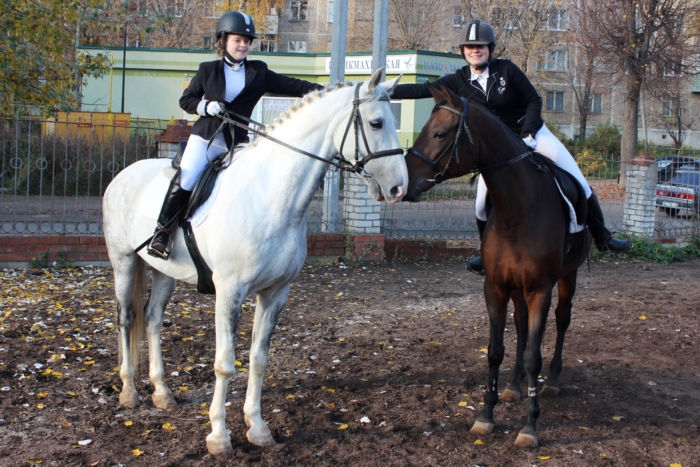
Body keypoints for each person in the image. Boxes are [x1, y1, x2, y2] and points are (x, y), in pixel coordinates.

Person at [392, 20, 631, 274]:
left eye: (480, 46)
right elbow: (421, 88)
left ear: (490, 48)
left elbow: (533, 100)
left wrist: (528, 133)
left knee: (578, 179)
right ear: (463, 50)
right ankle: (486, 253)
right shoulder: (458, 80)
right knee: (481, 204)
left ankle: (603, 236)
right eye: (470, 47)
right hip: (496, 150)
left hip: (531, 134)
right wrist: (383, 92)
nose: (476, 51)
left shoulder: (507, 70)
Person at [148, 11, 324, 260]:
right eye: (238, 40)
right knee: (187, 177)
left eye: (247, 41)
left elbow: (292, 85)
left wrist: (326, 91)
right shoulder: (208, 70)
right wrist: (206, 106)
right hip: (207, 138)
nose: (243, 45)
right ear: (224, 41)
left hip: (237, 143)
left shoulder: (258, 72)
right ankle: (162, 233)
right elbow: (186, 100)